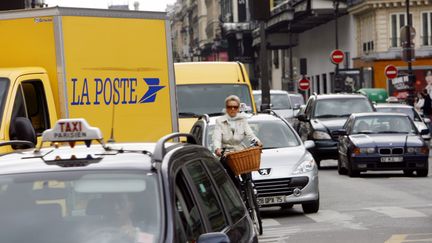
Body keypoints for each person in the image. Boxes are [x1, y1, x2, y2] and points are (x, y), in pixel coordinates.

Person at [212, 95, 262, 186]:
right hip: (226, 152)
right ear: (226, 108)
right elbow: (216, 137)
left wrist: (257, 141)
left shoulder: (242, 120)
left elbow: (250, 134)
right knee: (229, 178)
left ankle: (250, 188)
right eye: (229, 107)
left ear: (238, 108)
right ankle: (235, 190)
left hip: (240, 151)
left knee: (247, 174)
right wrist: (217, 149)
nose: (232, 109)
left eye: (235, 107)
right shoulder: (219, 121)